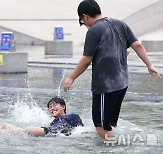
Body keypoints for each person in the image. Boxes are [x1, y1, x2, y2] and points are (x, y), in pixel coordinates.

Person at [63, 0, 161, 139]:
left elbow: (87, 59)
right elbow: (137, 45)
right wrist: (149, 65)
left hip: (105, 87)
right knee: (108, 123)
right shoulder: (120, 24)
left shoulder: (94, 31)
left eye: (83, 22)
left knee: (101, 126)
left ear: (85, 16)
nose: (85, 26)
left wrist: (71, 77)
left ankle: (115, 148)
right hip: (122, 83)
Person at [0, 97, 84, 137]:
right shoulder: (53, 122)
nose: (52, 108)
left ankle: (9, 128)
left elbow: (81, 129)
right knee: (27, 131)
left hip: (58, 131)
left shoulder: (73, 116)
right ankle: (9, 128)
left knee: (28, 130)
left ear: (63, 107)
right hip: (54, 133)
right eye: (50, 107)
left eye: (54, 105)